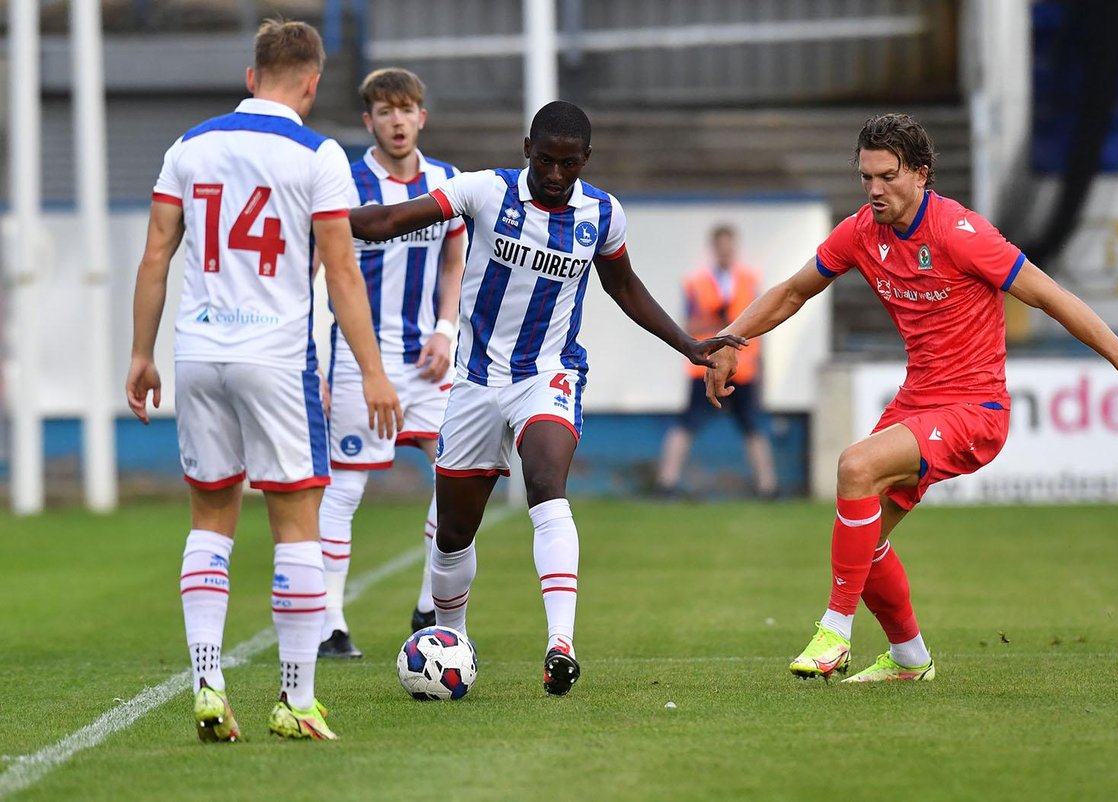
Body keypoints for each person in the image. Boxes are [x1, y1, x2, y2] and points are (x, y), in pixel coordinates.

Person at [705, 113, 1118, 683]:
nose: (874, 189)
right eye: (866, 177)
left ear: (920, 174)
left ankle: (834, 632)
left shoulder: (962, 233)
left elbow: (1051, 297)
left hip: (975, 409)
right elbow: (792, 291)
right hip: (918, 401)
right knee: (867, 541)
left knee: (854, 466)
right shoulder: (861, 231)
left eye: (886, 176)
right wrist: (729, 339)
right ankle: (910, 659)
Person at [350, 100, 745, 695]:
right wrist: (317, 215)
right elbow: (387, 222)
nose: (556, 175)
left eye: (568, 164)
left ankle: (561, 643)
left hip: (550, 374)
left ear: (586, 160)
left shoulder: (603, 214)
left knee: (545, 482)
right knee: (454, 532)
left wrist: (688, 345)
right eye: (545, 161)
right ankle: (451, 638)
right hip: (477, 379)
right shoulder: (483, 191)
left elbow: (623, 285)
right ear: (525, 149)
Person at [125, 20, 401, 740]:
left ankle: (209, 685)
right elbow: (341, 271)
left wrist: (140, 354)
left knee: (210, 519)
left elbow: (157, 255)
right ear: (311, 84)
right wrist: (373, 372)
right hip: (276, 357)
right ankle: (296, 698)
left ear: (252, 77)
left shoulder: (189, 146)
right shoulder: (319, 155)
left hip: (198, 351)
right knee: (297, 525)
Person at [316, 67, 467, 659]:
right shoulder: (347, 185)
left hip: (427, 359)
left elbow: (454, 262)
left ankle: (430, 604)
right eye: (384, 111)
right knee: (347, 485)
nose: (397, 121)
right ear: (369, 121)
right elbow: (321, 270)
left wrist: (446, 330)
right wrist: (323, 365)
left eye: (406, 110)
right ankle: (330, 622)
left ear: (421, 117)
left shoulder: (445, 181)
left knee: (456, 472)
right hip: (360, 359)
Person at [656, 224, 777, 498]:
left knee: (752, 427)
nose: (725, 251)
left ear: (735, 247)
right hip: (706, 368)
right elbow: (688, 323)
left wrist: (762, 366)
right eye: (721, 246)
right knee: (688, 424)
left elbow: (763, 321)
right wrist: (717, 318)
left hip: (742, 369)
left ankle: (768, 486)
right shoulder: (696, 283)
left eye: (729, 246)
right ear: (713, 248)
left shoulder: (749, 280)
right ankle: (667, 482)